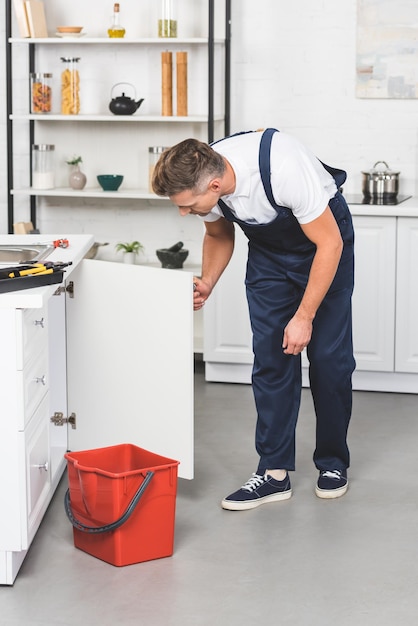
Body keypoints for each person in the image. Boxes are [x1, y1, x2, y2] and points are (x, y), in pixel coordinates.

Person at [152, 128, 355, 511]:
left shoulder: (283, 167)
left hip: (326, 244)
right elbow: (218, 233)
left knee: (329, 361)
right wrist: (208, 280)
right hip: (269, 257)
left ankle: (332, 463)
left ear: (215, 184)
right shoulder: (203, 173)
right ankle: (273, 472)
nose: (183, 212)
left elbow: (328, 244)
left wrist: (304, 316)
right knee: (271, 360)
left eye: (187, 205)